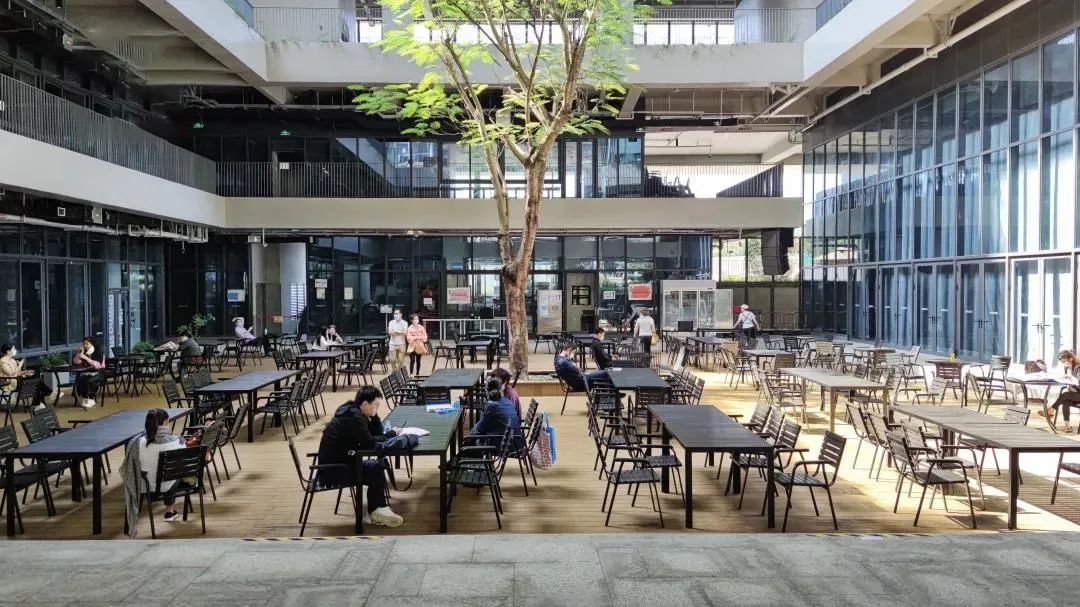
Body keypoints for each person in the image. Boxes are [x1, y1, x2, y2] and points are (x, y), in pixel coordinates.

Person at [316, 386, 404, 527]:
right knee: (375, 469)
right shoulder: (354, 418)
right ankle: (377, 510)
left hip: (340, 464)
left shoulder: (352, 411)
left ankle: (378, 509)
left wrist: (374, 414)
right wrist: (391, 434)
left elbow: (374, 435)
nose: (377, 408)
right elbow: (370, 443)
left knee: (376, 466)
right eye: (375, 405)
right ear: (364, 403)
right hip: (335, 471)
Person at [137, 409, 199, 523]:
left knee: (165, 471)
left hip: (144, 485)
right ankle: (170, 511)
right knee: (177, 472)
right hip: (167, 485)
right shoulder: (177, 442)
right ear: (166, 421)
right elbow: (184, 464)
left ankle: (170, 510)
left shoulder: (138, 442)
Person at [470, 378, 524, 452]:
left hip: (504, 447)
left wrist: (471, 434)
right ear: (501, 389)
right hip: (517, 444)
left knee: (471, 442)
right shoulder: (508, 402)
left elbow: (479, 428)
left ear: (487, 391)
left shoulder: (491, 406)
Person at [1038, 350, 1080, 432]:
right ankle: (1067, 426)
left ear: (1071, 359)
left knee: (1065, 395)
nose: (1064, 364)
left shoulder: (1078, 368)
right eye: (1062, 362)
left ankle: (1051, 410)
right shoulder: (1068, 368)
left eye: (1064, 361)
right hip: (1077, 393)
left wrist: (1073, 383)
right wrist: (1070, 384)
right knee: (1065, 400)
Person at [72, 337, 105, 409]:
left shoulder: (98, 352)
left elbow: (97, 365)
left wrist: (86, 358)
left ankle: (91, 398)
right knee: (81, 379)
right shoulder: (84, 352)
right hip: (87, 373)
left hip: (98, 373)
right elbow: (76, 362)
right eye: (84, 344)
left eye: (87, 344)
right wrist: (79, 353)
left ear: (92, 344)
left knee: (89, 380)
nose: (85, 346)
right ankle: (85, 397)